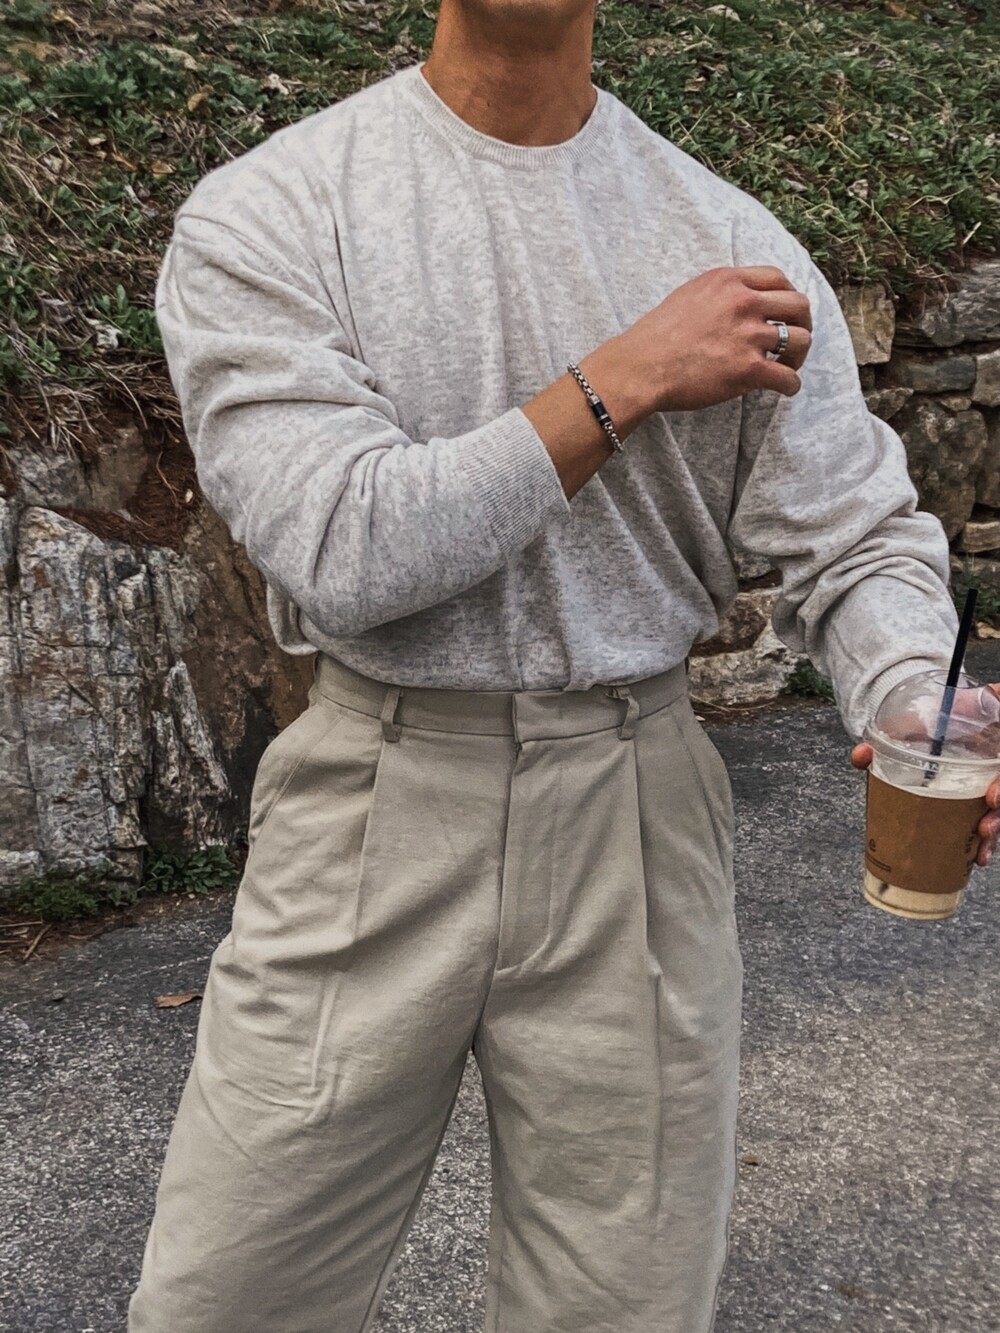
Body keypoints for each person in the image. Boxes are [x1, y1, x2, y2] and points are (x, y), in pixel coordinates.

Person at [127, 1, 1000, 1329]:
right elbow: (343, 546)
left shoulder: (734, 246)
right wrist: (621, 379)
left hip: (637, 810)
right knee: (226, 1297)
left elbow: (856, 536)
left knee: (620, 1305)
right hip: (374, 799)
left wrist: (914, 690)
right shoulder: (278, 212)